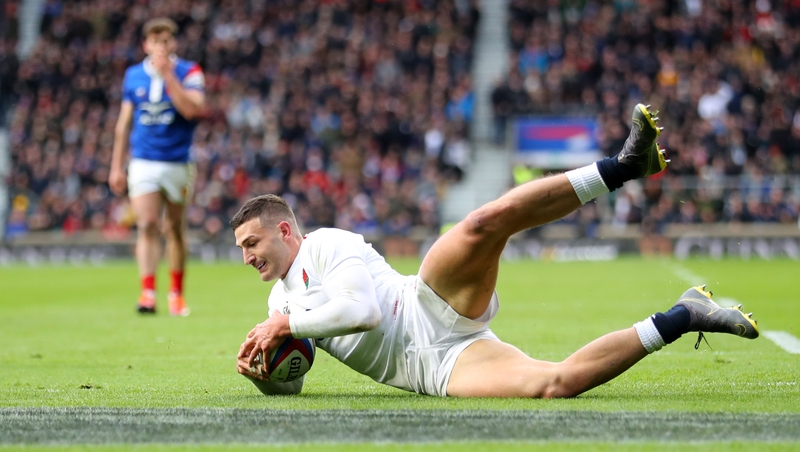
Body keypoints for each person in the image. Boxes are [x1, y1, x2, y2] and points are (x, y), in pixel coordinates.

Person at [232, 105, 760, 397]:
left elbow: (364, 313)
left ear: (285, 231)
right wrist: (267, 376)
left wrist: (285, 327)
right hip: (436, 370)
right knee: (554, 385)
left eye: (252, 242)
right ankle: (685, 314)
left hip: (428, 302)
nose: (247, 256)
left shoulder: (325, 245)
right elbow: (295, 379)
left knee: (484, 223)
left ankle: (622, 167)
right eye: (241, 248)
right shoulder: (279, 306)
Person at [109, 18, 205, 316]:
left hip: (177, 161)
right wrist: (116, 166)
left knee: (174, 228)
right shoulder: (133, 75)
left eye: (166, 40)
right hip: (143, 161)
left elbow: (192, 110)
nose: (161, 46)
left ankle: (176, 293)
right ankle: (148, 293)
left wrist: (168, 76)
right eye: (155, 41)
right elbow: (123, 124)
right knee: (147, 224)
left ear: (173, 43)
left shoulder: (189, 71)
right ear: (146, 44)